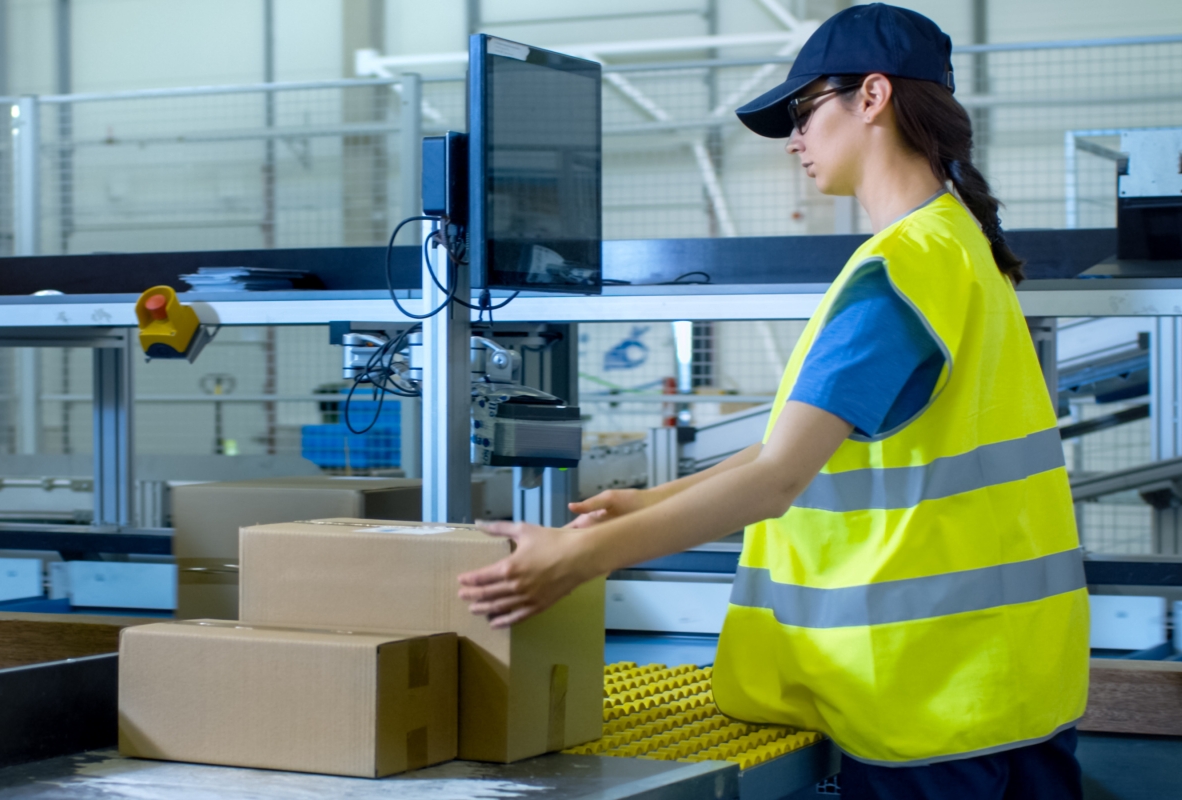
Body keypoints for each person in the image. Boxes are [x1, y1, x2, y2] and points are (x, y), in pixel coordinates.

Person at [457, 5, 1089, 798]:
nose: (794, 138)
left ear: (872, 97)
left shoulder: (895, 277)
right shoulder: (961, 247)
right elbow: (801, 454)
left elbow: (778, 479)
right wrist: (657, 498)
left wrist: (580, 559)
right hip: (1021, 684)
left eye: (803, 111)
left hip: (927, 707)